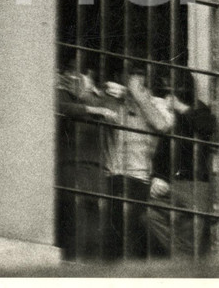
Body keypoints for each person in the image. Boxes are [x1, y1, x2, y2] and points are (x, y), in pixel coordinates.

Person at [102, 62, 175, 261]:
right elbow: (104, 114)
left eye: (139, 75)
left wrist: (138, 95)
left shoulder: (156, 104)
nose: (135, 79)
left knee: (135, 239)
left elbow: (162, 124)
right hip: (115, 176)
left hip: (140, 180)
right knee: (115, 240)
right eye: (131, 75)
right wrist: (122, 94)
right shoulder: (116, 100)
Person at [147, 69, 219, 258]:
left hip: (196, 184)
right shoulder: (174, 118)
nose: (169, 93)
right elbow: (163, 150)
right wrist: (157, 177)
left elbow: (208, 126)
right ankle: (183, 257)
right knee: (152, 214)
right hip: (174, 183)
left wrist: (179, 106)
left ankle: (183, 261)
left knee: (189, 237)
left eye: (172, 87)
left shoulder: (199, 109)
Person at [55, 66, 118, 261]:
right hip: (72, 168)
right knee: (76, 227)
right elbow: (63, 108)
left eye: (82, 76)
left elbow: (113, 115)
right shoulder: (62, 94)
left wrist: (94, 99)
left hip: (96, 169)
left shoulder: (101, 98)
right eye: (72, 74)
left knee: (95, 232)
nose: (77, 79)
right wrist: (93, 107)